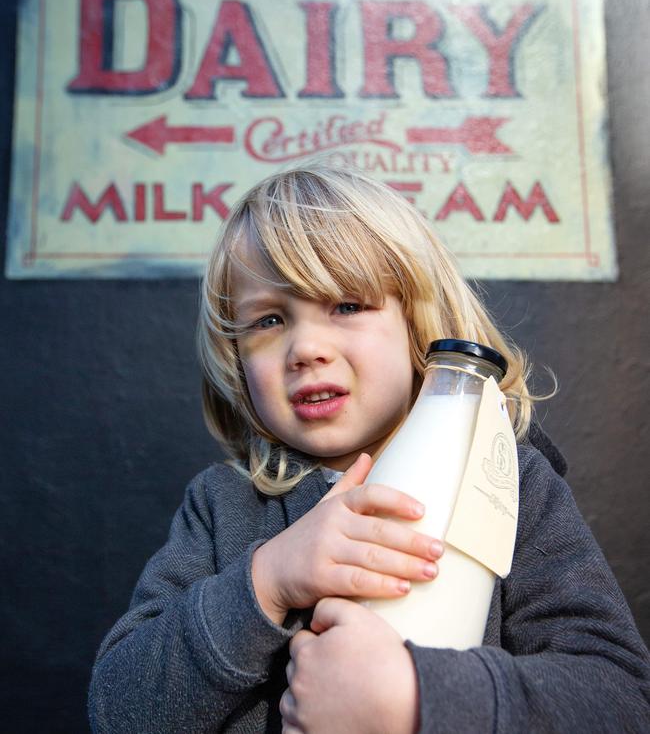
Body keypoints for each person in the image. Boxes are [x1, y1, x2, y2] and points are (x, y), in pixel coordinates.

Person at [88, 164, 650, 733]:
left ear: (419, 325)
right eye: (269, 319)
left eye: (347, 306)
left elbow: (620, 701)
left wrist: (414, 698)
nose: (305, 347)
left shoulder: (510, 488)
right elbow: (118, 713)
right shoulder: (222, 505)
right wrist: (267, 579)